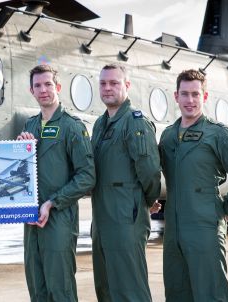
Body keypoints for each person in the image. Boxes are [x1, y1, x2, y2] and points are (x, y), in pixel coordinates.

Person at [158, 69, 228, 302]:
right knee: (176, 291)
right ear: (176, 96)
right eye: (185, 94)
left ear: (205, 96)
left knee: (210, 293)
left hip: (205, 226)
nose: (190, 100)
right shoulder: (169, 136)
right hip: (173, 228)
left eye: (195, 94)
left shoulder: (217, 134)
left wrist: (225, 208)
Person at [17, 65, 96, 301]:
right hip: (31, 219)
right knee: (37, 286)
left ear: (58, 87)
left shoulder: (72, 127)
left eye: (48, 84)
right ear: (31, 91)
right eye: (38, 86)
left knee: (60, 288)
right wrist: (21, 150)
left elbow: (87, 176)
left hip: (58, 217)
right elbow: (21, 173)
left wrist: (53, 202)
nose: (43, 90)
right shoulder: (30, 126)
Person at [90, 64, 162, 301]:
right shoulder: (101, 124)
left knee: (130, 288)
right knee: (106, 287)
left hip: (125, 218)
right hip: (101, 218)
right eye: (103, 83)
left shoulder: (135, 122)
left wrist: (147, 201)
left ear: (127, 85)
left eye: (114, 83)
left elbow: (150, 171)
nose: (107, 88)